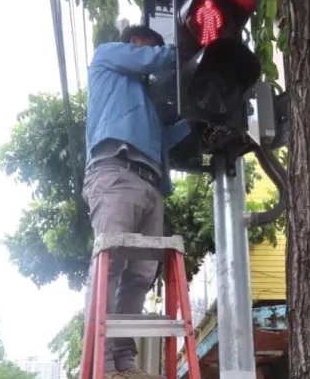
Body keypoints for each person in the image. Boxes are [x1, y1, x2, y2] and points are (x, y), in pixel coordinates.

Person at [82, 25, 191, 379]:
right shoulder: (108, 55)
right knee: (110, 266)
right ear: (135, 43)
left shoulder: (147, 105)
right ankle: (103, 362)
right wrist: (188, 52)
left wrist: (199, 120)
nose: (152, 56)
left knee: (141, 275)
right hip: (115, 169)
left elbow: (164, 140)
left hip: (150, 183)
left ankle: (123, 359)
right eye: (150, 47)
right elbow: (155, 59)